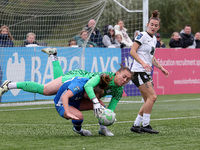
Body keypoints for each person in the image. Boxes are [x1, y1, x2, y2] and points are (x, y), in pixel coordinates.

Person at [0, 47, 133, 136]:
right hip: (77, 78)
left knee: (101, 106)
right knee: (46, 90)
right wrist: (95, 102)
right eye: (124, 77)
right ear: (117, 73)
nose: (125, 80)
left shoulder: (118, 91)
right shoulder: (105, 76)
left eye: (127, 79)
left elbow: (110, 109)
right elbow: (87, 86)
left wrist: (105, 122)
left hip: (82, 90)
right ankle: (9, 85)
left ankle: (53, 56)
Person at [130, 10, 169, 134]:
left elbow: (151, 58)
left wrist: (161, 68)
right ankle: (145, 125)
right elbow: (132, 51)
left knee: (149, 99)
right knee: (152, 97)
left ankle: (136, 125)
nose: (153, 27)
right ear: (148, 24)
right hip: (138, 72)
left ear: (158, 27)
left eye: (156, 25)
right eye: (151, 24)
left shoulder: (153, 40)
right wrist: (142, 63)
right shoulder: (142, 35)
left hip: (144, 72)